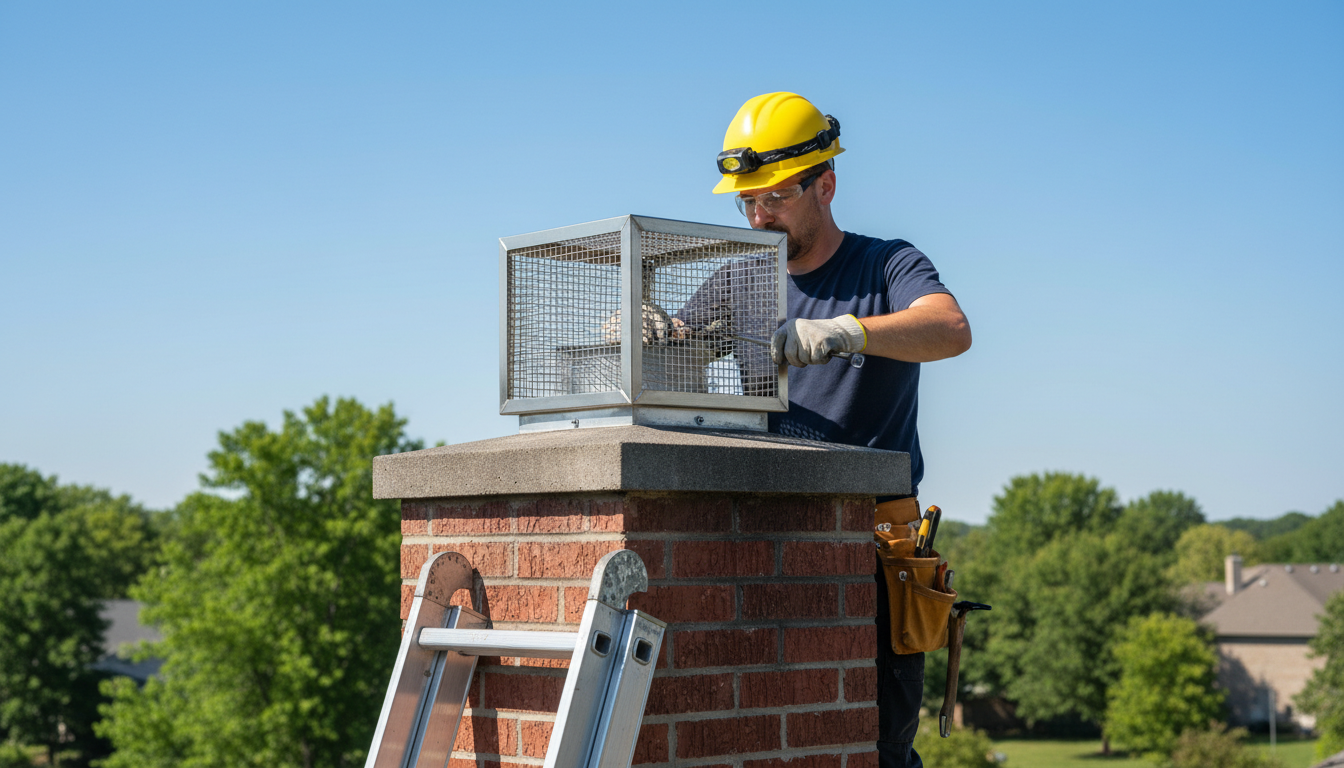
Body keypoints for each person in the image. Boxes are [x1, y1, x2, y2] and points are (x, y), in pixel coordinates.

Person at [707, 91, 972, 768]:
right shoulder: (739, 277)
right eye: (747, 202)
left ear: (824, 184)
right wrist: (643, 331)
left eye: (774, 198)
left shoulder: (886, 265)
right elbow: (678, 343)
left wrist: (847, 330)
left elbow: (949, 328)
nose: (758, 216)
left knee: (875, 748)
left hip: (875, 548)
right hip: (771, 540)